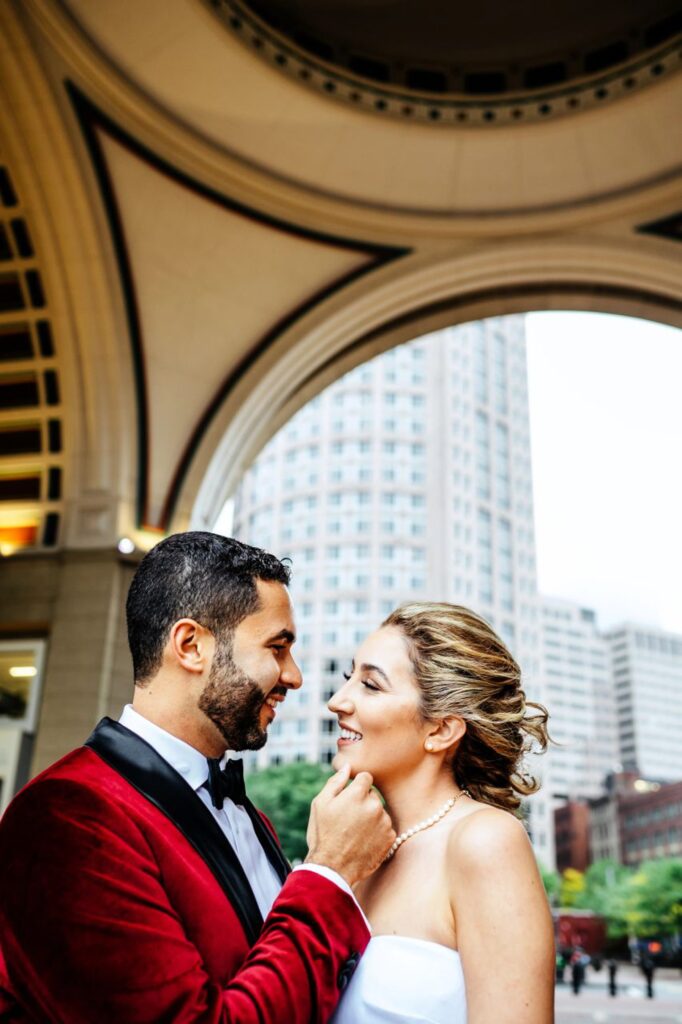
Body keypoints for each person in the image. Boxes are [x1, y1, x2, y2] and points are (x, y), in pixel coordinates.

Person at [0, 532, 395, 1023]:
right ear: (190, 646)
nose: (294, 676)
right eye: (277, 647)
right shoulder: (66, 820)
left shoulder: (252, 819)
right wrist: (329, 873)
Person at [328, 602, 555, 1024]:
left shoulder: (484, 842)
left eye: (370, 686)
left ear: (440, 730)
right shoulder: (356, 849)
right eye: (348, 679)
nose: (337, 702)